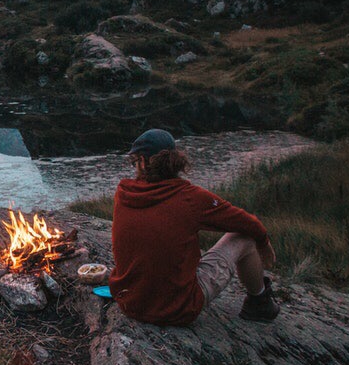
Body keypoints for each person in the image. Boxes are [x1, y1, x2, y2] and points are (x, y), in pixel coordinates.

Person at [103, 129, 280, 326]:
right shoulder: (191, 197)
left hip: (129, 304)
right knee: (245, 238)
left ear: (143, 162)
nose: (134, 167)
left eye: (134, 162)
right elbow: (248, 223)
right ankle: (260, 303)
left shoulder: (123, 192)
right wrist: (264, 243)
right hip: (178, 310)